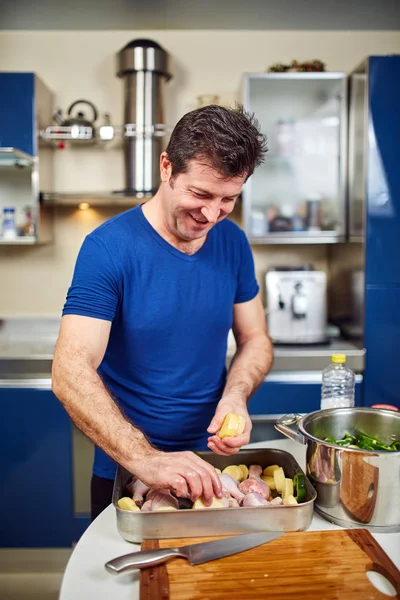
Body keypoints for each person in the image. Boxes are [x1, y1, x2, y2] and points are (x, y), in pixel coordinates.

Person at [52, 104, 274, 521]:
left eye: (229, 199)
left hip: (213, 467)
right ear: (166, 166)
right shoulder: (108, 248)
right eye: (201, 194)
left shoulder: (233, 242)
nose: (211, 214)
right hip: (129, 469)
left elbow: (255, 339)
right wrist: (147, 459)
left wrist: (235, 395)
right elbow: (69, 368)